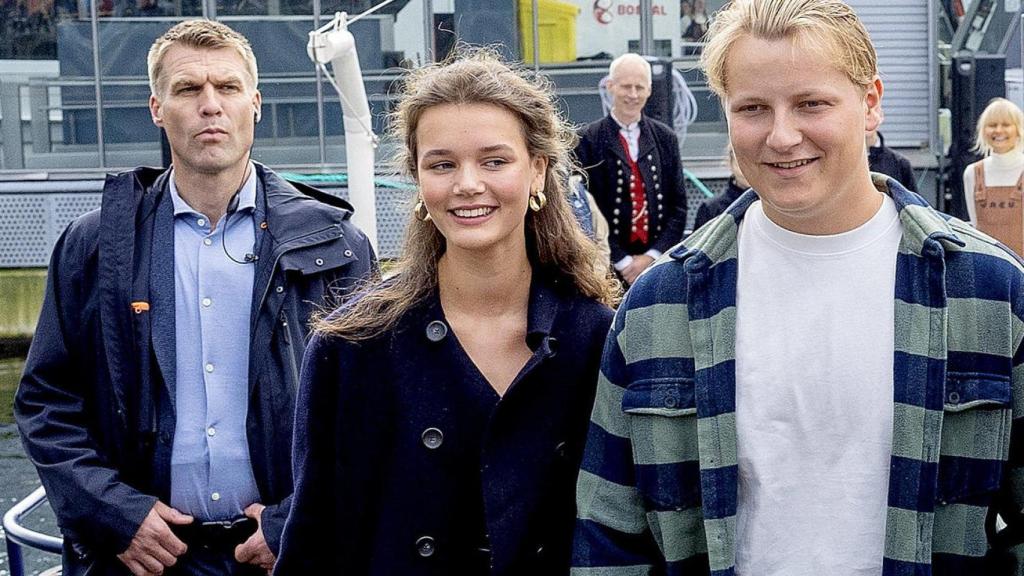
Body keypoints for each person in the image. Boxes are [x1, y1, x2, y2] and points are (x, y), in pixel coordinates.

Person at [573, 0, 1024, 574]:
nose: (782, 136)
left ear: (870, 103)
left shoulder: (991, 290)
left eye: (811, 104)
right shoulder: (659, 305)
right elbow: (610, 532)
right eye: (754, 108)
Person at [15, 19, 375, 576]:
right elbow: (47, 404)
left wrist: (294, 523)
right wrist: (115, 515)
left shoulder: (337, 246)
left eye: (227, 88)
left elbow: (371, 412)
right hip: (143, 560)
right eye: (188, 89)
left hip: (283, 556)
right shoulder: (95, 247)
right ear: (157, 108)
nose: (211, 105)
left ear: (254, 103)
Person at [275, 49, 616, 575]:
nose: (467, 184)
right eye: (442, 164)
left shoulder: (598, 336)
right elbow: (314, 541)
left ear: (538, 173)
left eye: (495, 161)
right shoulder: (353, 347)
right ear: (417, 179)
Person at [575, 53, 687, 285]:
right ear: (610, 87)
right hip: (607, 264)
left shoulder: (665, 138)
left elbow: (678, 208)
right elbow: (583, 209)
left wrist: (652, 257)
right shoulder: (588, 139)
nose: (633, 95)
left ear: (649, 91)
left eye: (640, 87)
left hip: (657, 263)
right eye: (626, 87)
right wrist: (622, 261)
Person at [962, 97, 1024, 254]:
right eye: (992, 125)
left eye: (1006, 125)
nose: (998, 130)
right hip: (988, 270)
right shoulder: (972, 174)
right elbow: (975, 225)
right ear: (983, 130)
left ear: (1018, 129)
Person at [692, 144, 749, 230]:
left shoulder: (773, 207)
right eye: (740, 163)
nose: (747, 171)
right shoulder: (711, 209)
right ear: (730, 163)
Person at [867, 109, 916, 192]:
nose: (867, 118)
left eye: (870, 111)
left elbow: (913, 203)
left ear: (881, 116)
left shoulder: (900, 164)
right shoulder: (842, 162)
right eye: (863, 112)